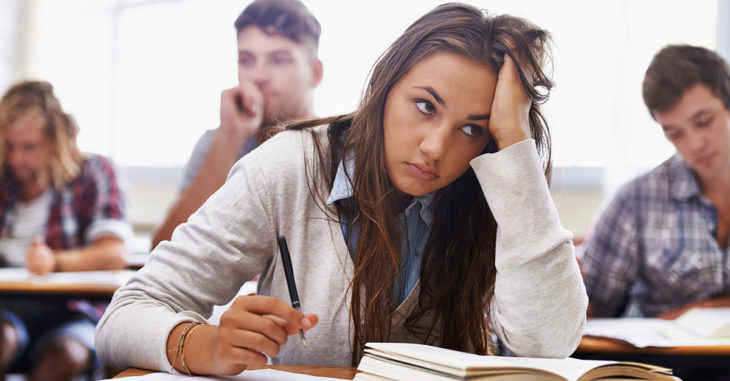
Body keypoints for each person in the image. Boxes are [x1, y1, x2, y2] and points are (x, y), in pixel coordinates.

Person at [96, 3, 587, 376]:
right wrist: (204, 343)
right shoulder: (290, 165)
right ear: (383, 88)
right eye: (424, 106)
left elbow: (549, 344)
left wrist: (516, 143)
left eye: (471, 129)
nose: (435, 147)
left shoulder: (495, 185)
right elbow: (124, 317)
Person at [150, 0, 323, 249]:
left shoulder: (341, 149)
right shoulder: (219, 141)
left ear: (316, 73)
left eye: (279, 60)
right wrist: (229, 138)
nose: (259, 76)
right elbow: (164, 249)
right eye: (246, 60)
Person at [581, 44, 730, 319]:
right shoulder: (635, 202)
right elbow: (592, 310)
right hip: (664, 360)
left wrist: (699, 311)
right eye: (675, 134)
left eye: (704, 121)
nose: (695, 144)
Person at [0, 80, 132, 381]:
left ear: (54, 138)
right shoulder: (3, 177)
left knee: (63, 358)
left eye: (29, 147)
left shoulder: (94, 172)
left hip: (73, 310)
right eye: (10, 146)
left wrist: (55, 262)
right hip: (6, 307)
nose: (18, 157)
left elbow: (114, 254)